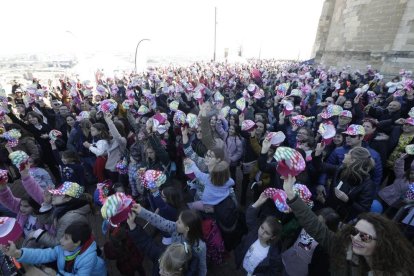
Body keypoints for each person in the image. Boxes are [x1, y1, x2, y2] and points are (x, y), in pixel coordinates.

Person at [283, 174, 414, 275]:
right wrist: (291, 195)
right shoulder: (343, 247)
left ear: (381, 242)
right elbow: (316, 227)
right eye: (355, 232)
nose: (356, 238)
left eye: (364, 236)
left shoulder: (392, 271)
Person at [1, 222, 107, 275]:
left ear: (77, 243)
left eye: (66, 238)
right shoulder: (62, 248)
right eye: (63, 236)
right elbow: (43, 255)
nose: (60, 241)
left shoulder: (88, 259)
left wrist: (55, 274)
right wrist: (17, 253)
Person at [132, 203, 207, 276]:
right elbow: (160, 222)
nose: (176, 222)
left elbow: (202, 266)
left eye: (179, 222)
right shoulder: (176, 228)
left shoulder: (200, 246)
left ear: (187, 229)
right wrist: (142, 211)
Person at [314, 144, 376, 221]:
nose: (345, 154)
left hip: (341, 220)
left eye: (348, 154)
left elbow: (364, 210)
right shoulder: (341, 169)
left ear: (353, 160)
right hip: (327, 211)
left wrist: (348, 201)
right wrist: (318, 152)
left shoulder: (368, 185)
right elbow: (321, 166)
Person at [234, 192, 283, 275]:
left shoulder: (273, 256)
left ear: (273, 237)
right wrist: (259, 201)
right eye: (262, 227)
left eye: (266, 233)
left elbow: (274, 272)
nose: (261, 233)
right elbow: (250, 216)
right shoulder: (254, 232)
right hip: (242, 266)